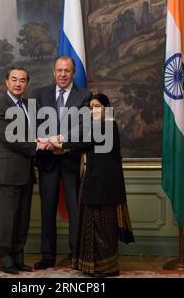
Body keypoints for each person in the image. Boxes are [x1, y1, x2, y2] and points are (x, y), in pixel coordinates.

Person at [49, 93, 135, 277]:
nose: (93, 110)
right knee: (91, 223)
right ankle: (92, 266)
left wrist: (58, 143)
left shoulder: (108, 125)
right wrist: (59, 142)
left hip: (105, 185)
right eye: (90, 107)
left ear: (106, 108)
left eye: (97, 106)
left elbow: (83, 142)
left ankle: (107, 268)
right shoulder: (97, 126)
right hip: (93, 182)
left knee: (103, 226)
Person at [0, 66, 49, 275]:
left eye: (22, 80)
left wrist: (50, 140)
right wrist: (37, 146)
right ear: (6, 82)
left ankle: (18, 259)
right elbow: (9, 137)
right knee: (8, 220)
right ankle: (7, 262)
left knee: (22, 219)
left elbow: (37, 131)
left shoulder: (28, 106)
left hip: (26, 171)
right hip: (7, 172)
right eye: (14, 79)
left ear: (27, 84)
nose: (18, 83)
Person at [34, 56, 92, 269]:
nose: (62, 74)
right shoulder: (41, 94)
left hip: (71, 161)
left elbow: (83, 128)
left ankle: (75, 254)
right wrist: (47, 142)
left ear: (73, 72)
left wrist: (58, 141)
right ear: (53, 71)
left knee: (75, 210)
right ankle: (47, 255)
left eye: (67, 70)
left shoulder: (84, 95)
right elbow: (37, 122)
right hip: (48, 161)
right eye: (59, 70)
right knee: (47, 210)